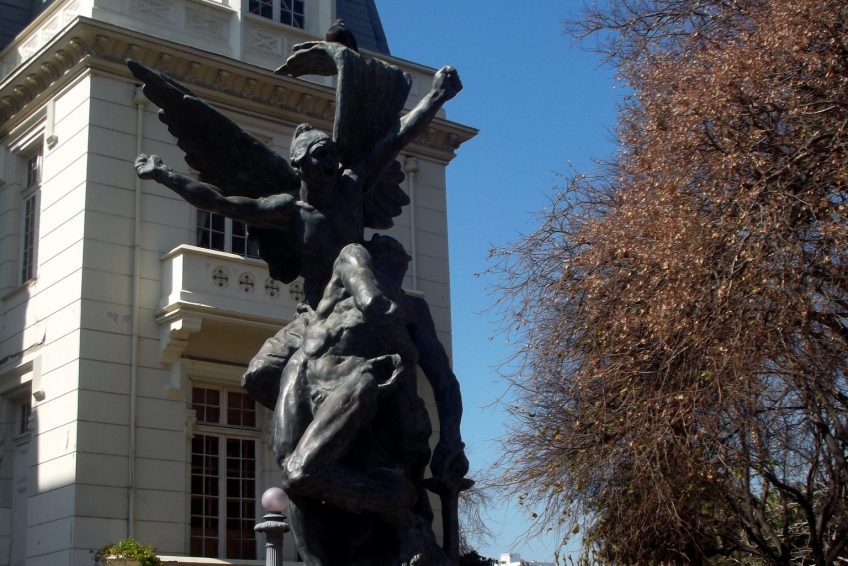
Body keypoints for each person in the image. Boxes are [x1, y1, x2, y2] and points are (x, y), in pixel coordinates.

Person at [274, 235, 445, 565]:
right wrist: (407, 353)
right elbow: (373, 301)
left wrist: (451, 440)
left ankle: (401, 517)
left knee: (299, 473)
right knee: (291, 475)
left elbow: (444, 381)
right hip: (301, 370)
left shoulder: (410, 306)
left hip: (351, 377)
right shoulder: (354, 257)